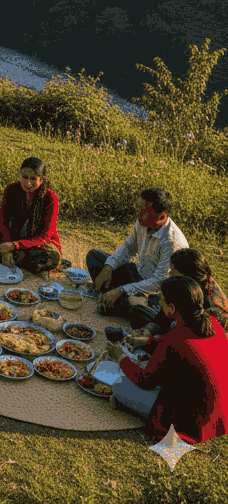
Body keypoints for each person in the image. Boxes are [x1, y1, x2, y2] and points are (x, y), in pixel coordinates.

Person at [109, 275, 228, 443]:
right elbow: (182, 353)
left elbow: (144, 380)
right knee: (148, 368)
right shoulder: (213, 323)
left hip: (192, 421)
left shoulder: (173, 339)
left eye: (162, 300)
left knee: (120, 385)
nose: (159, 303)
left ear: (171, 308)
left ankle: (129, 407)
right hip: (221, 416)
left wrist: (120, 357)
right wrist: (149, 342)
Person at [87, 188, 189, 321]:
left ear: (161, 216)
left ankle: (111, 296)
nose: (139, 214)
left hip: (153, 294)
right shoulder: (142, 222)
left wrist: (121, 290)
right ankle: (110, 295)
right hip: (136, 276)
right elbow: (128, 248)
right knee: (94, 256)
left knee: (134, 305)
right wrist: (108, 267)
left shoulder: (172, 241)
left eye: (144, 212)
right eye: (138, 209)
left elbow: (158, 283)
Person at [129, 249, 228, 346]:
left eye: (173, 271)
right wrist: (148, 330)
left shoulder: (207, 307)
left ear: (186, 274)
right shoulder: (188, 286)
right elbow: (163, 316)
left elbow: (189, 342)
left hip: (194, 345)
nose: (169, 274)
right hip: (179, 326)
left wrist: (152, 341)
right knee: (137, 311)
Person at [0, 157, 62, 274]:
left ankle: (9, 258)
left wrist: (14, 246)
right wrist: (7, 247)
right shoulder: (11, 189)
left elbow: (44, 236)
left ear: (42, 179)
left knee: (52, 256)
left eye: (33, 179)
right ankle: (17, 259)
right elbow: (3, 223)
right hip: (13, 238)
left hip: (34, 244)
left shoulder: (50, 198)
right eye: (24, 177)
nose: (28, 183)